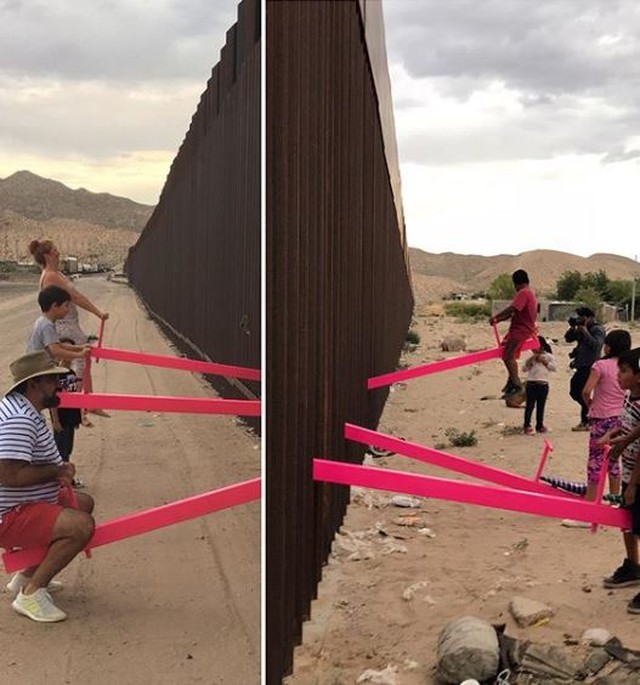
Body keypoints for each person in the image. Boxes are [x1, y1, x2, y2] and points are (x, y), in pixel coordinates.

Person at [0, 351, 95, 623]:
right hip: (9, 513)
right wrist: (56, 471)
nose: (58, 384)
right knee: (80, 526)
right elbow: (8, 475)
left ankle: (27, 575)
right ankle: (31, 594)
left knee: (83, 503)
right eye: (52, 379)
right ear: (33, 384)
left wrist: (58, 472)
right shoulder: (19, 419)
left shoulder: (22, 409)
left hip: (18, 505)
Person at [29, 239, 109, 426]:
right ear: (48, 255)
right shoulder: (51, 276)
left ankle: (87, 404)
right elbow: (75, 297)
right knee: (78, 363)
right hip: (66, 326)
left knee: (83, 361)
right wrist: (98, 313)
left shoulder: (55, 274)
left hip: (70, 323)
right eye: (55, 250)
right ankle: (79, 408)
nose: (58, 252)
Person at [561, 329, 632, 528]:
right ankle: (614, 502)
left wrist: (590, 403)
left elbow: (586, 390)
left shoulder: (600, 365)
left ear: (608, 346)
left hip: (602, 418)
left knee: (595, 463)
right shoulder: (627, 367)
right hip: (621, 419)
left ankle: (590, 509)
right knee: (614, 461)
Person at [598, 347, 640, 613]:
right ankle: (633, 566)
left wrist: (634, 485)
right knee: (626, 523)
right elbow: (628, 425)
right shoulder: (629, 398)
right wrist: (614, 435)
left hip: (638, 476)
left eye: (624, 371)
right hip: (628, 473)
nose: (618, 375)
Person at [488, 269, 538, 397]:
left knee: (508, 355)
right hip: (520, 329)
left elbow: (512, 309)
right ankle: (511, 383)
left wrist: (495, 317)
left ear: (516, 283)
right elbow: (513, 312)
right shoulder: (529, 292)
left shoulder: (524, 293)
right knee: (508, 353)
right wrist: (497, 319)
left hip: (521, 330)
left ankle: (517, 385)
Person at [27, 285, 92, 365]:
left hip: (36, 362)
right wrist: (80, 355)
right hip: (39, 366)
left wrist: (80, 347)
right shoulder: (47, 325)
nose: (67, 310)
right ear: (54, 306)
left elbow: (58, 345)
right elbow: (56, 351)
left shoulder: (43, 321)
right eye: (66, 305)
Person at [564, 306, 606, 431]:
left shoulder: (598, 329)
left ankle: (587, 418)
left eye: (582, 318)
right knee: (576, 392)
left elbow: (596, 346)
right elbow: (568, 339)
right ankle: (589, 415)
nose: (580, 320)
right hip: (581, 364)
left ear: (590, 318)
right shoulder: (583, 329)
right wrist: (573, 328)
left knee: (580, 392)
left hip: (591, 365)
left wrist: (585, 331)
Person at [50, 338, 84, 488]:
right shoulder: (55, 375)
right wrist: (55, 420)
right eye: (67, 351)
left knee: (68, 448)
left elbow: (75, 394)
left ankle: (66, 479)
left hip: (71, 416)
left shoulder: (71, 373)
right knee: (60, 449)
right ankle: (61, 482)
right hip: (61, 418)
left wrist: (79, 415)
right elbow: (53, 400)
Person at [522, 335, 556, 435]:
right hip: (531, 384)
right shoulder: (531, 357)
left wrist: (544, 362)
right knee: (530, 406)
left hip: (543, 384)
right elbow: (524, 368)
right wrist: (532, 359)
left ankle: (539, 425)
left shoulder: (548, 356)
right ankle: (527, 425)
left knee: (541, 406)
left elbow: (553, 368)